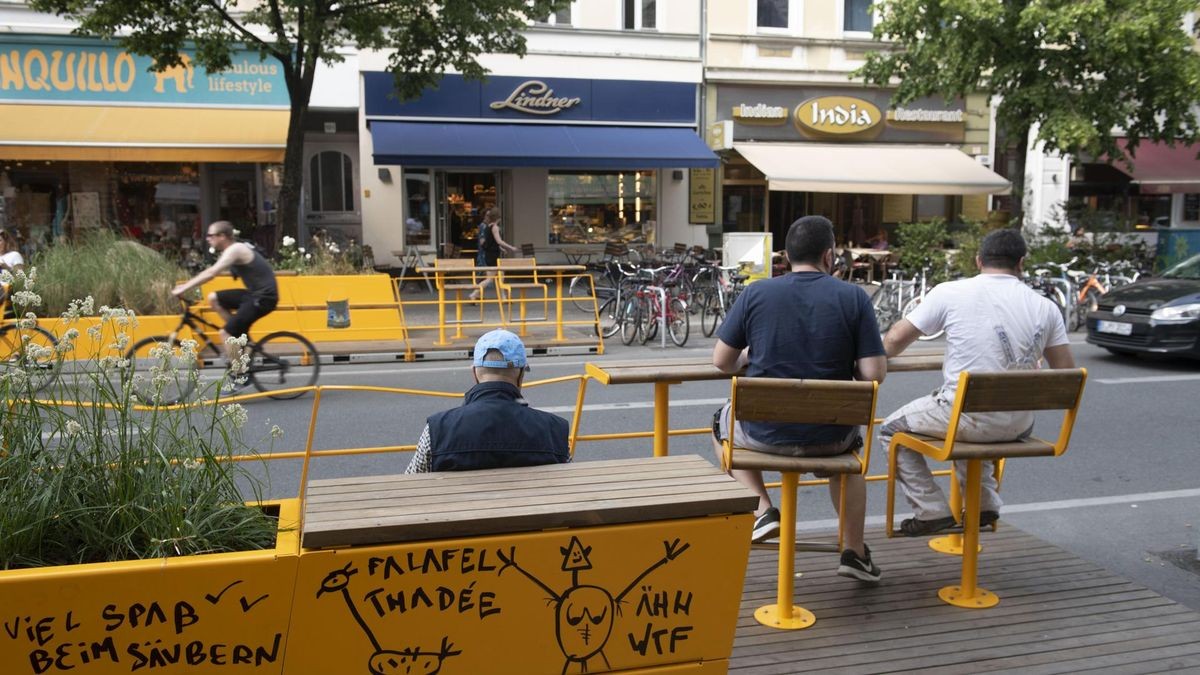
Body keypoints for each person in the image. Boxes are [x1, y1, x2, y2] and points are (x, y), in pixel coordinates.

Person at [711, 215, 887, 582]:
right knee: (851, 459)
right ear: (829, 255)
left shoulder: (757, 293)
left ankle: (763, 510)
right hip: (831, 440)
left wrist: (749, 358)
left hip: (762, 436)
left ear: (786, 257)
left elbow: (722, 362)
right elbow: (873, 374)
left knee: (720, 421)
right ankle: (854, 552)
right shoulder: (854, 297)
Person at [881, 228, 1075, 536]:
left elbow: (894, 340)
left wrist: (876, 356)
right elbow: (1066, 374)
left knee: (892, 428)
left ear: (978, 260)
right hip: (1019, 424)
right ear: (1021, 263)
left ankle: (931, 510)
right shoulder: (1046, 308)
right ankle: (984, 503)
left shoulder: (950, 292)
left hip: (964, 417)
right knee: (971, 424)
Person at [406, 329, 571, 473]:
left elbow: (410, 483)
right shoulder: (555, 430)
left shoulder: (437, 430)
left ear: (474, 373)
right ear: (521, 375)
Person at [171, 220, 279, 386]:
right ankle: (238, 335)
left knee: (225, 334)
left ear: (222, 236)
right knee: (214, 298)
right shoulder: (232, 250)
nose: (207, 239)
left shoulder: (235, 250)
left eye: (211, 235)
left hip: (264, 298)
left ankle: (239, 376)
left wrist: (184, 287)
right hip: (253, 295)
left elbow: (212, 272)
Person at [468, 208, 518, 302]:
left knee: (500, 275)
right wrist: (511, 247)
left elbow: (491, 242)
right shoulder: (495, 227)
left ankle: (502, 297)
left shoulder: (488, 227)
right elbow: (499, 241)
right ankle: (474, 294)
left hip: (490, 254)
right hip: (493, 256)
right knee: (490, 278)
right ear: (498, 218)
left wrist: (501, 248)